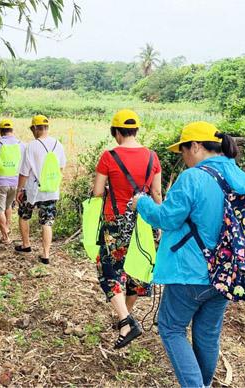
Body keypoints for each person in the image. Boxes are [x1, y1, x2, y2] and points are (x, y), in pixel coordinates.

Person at [133, 121, 245, 387]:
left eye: (184, 151)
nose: (184, 157)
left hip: (189, 271)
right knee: (208, 334)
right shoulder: (239, 177)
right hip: (226, 272)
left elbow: (165, 218)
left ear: (197, 146)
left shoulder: (193, 178)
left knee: (171, 328)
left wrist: (141, 203)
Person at [91, 109, 163, 349]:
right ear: (136, 130)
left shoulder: (109, 156)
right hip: (145, 220)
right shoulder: (153, 157)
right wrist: (159, 223)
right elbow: (156, 193)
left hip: (116, 222)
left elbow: (98, 192)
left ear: (116, 132)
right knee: (137, 270)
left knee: (108, 270)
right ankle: (125, 318)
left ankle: (125, 320)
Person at [15, 115, 66, 264]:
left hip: (32, 189)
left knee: (24, 215)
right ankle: (46, 254)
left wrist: (19, 189)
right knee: (47, 221)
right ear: (47, 128)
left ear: (35, 128)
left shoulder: (31, 146)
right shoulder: (58, 144)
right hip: (51, 189)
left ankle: (26, 245)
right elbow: (61, 168)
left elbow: (24, 171)